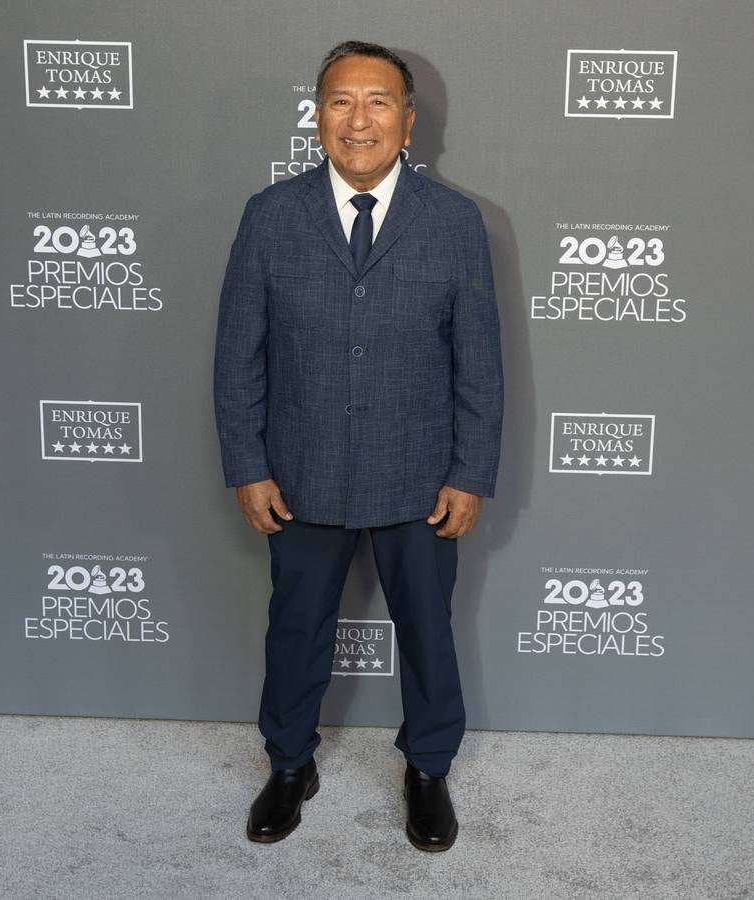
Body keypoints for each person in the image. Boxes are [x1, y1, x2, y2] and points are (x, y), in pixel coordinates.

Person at [213, 40, 503, 852]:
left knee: (427, 628)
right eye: (341, 101)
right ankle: (290, 763)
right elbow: (238, 355)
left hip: (420, 473)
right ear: (317, 119)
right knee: (295, 627)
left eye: (379, 101)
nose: (359, 119)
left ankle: (427, 769)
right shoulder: (270, 216)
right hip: (299, 471)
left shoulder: (455, 221)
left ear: (409, 121)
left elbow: (479, 362)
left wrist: (470, 473)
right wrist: (248, 464)